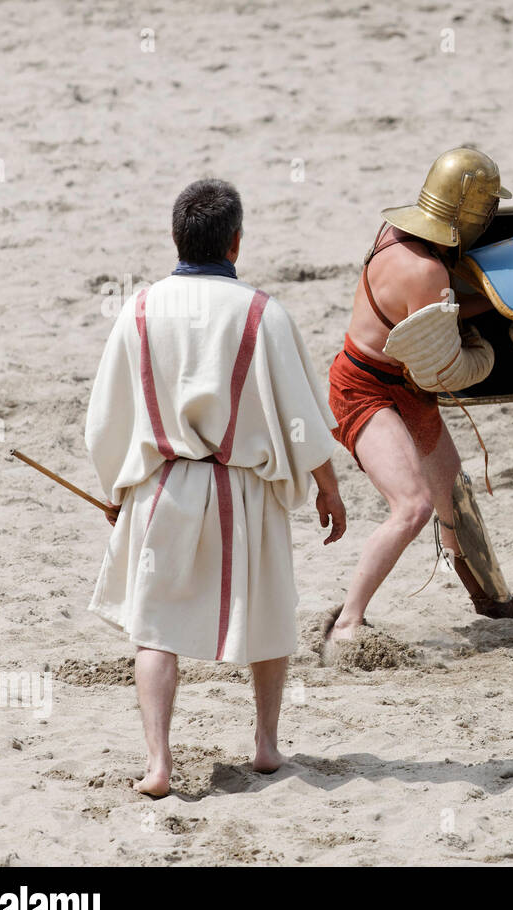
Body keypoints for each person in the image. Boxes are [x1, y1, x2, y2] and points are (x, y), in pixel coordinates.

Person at [86, 179, 346, 796]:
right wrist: (328, 488)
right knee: (270, 616)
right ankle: (265, 744)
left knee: (155, 629)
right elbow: (301, 418)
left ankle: (158, 765)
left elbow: (106, 420)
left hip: (164, 485)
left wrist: (119, 490)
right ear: (235, 242)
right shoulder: (262, 312)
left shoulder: (140, 307)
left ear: (177, 237)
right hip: (244, 490)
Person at [323, 147, 513, 659]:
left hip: (400, 384)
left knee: (451, 492)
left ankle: (489, 597)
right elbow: (445, 370)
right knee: (412, 506)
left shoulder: (391, 237)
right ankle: (347, 624)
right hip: (364, 388)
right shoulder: (428, 273)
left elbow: (438, 313)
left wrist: (503, 307)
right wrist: (494, 343)